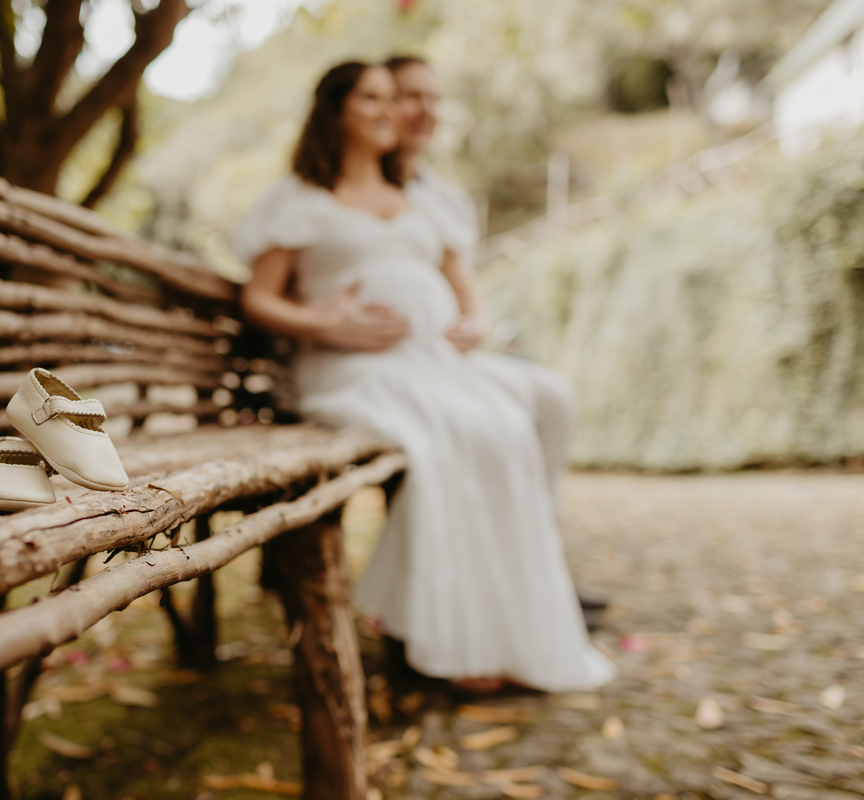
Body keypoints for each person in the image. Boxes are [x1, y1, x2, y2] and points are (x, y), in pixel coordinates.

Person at [234, 61, 614, 693]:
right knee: (460, 435)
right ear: (335, 110)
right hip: (351, 366)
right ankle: (454, 638)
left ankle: (502, 628)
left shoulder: (417, 202)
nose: (391, 110)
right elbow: (258, 298)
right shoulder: (300, 199)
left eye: (394, 98)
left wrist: (470, 323)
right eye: (373, 98)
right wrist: (322, 322)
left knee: (503, 428)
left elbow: (466, 289)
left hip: (430, 362)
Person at [385, 55, 609, 627]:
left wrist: (476, 322)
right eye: (410, 96)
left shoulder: (444, 196)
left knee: (552, 398)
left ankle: (541, 568)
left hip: (450, 355)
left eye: (433, 98)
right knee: (490, 425)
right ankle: (471, 590)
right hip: (394, 364)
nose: (425, 110)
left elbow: (467, 288)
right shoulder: (358, 185)